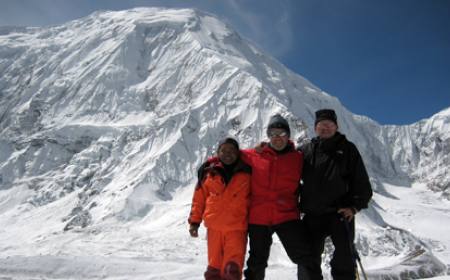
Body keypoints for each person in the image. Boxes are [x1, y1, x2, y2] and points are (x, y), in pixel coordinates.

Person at [299, 109, 373, 280]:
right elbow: (285, 162)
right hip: (313, 215)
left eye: (329, 124)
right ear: (315, 128)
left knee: (345, 259)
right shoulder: (305, 150)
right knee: (307, 259)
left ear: (336, 127)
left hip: (340, 214)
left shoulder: (348, 149)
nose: (325, 128)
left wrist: (354, 207)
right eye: (321, 125)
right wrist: (264, 149)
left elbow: (361, 182)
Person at [240, 114, 311, 280]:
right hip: (259, 218)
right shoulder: (255, 155)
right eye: (273, 134)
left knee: (304, 256)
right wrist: (210, 163)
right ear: (268, 136)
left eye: (281, 134)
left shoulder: (298, 158)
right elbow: (229, 155)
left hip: (286, 215)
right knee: (257, 261)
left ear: (288, 135)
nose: (277, 138)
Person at [188, 137, 252, 280]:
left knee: (232, 270)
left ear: (238, 153)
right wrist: (194, 222)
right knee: (214, 270)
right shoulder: (209, 173)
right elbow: (199, 199)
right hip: (214, 230)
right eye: (223, 150)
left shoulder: (248, 173)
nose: (228, 153)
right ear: (218, 153)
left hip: (236, 230)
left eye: (232, 150)